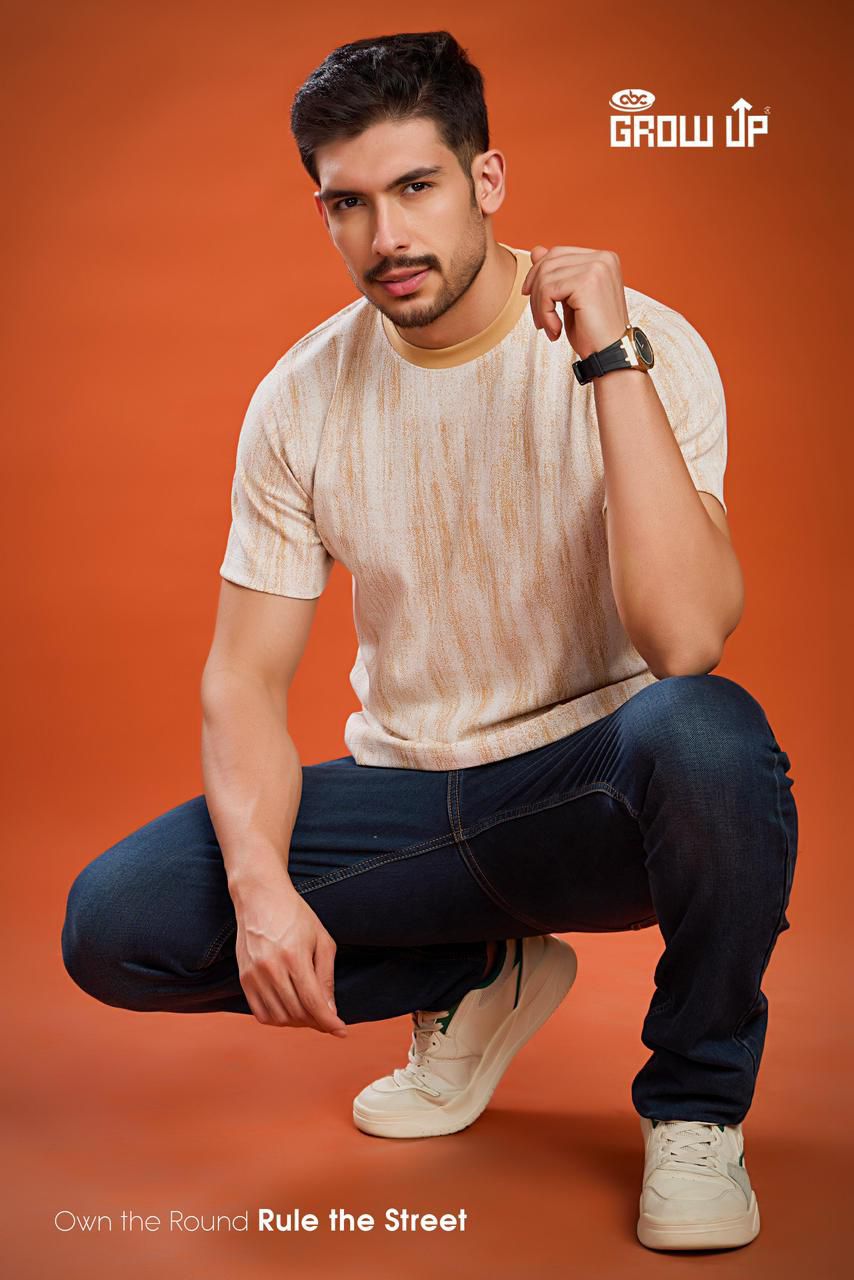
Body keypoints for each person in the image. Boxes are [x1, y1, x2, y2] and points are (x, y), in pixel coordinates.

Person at [60, 30, 798, 1253]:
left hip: (593, 798)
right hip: (412, 803)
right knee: (116, 918)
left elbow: (683, 637)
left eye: (415, 187)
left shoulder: (643, 344)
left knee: (710, 734)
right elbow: (242, 678)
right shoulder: (300, 397)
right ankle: (474, 970)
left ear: (485, 180)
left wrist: (607, 355)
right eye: (346, 203)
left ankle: (694, 1105)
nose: (385, 236)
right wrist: (259, 895)